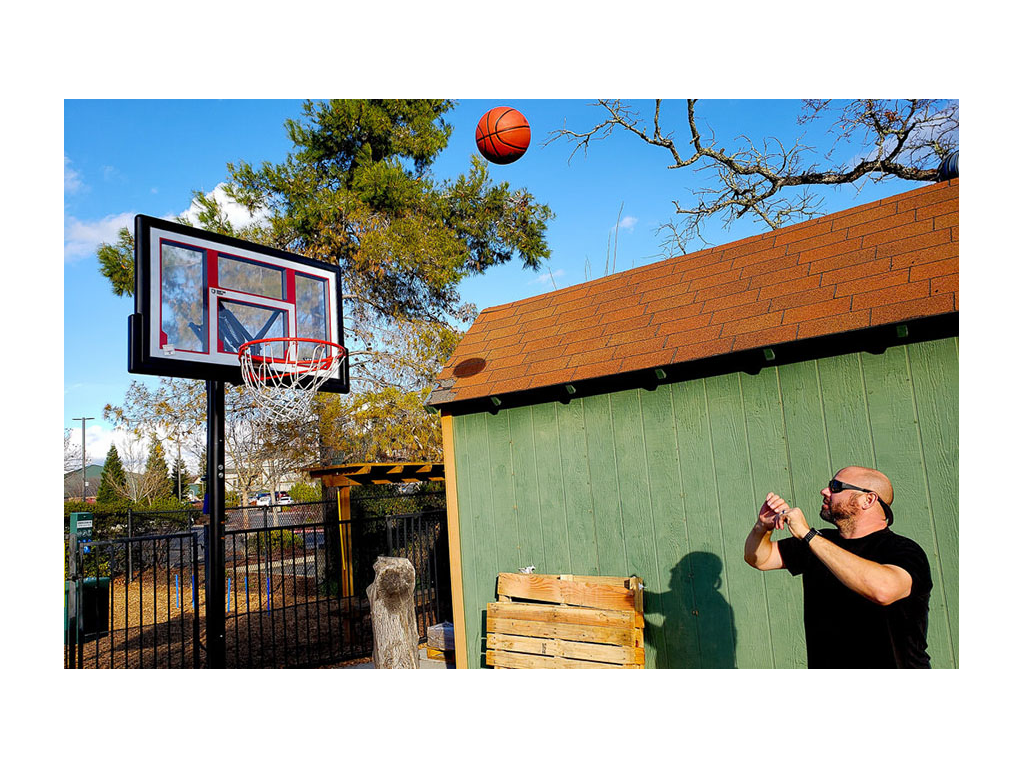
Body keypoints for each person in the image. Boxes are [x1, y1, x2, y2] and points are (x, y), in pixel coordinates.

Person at [743, 466, 932, 668]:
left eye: (835, 486)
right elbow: (760, 559)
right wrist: (762, 527)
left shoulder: (904, 550)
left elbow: (883, 591)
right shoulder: (820, 541)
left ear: (868, 500)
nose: (825, 491)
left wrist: (808, 535)